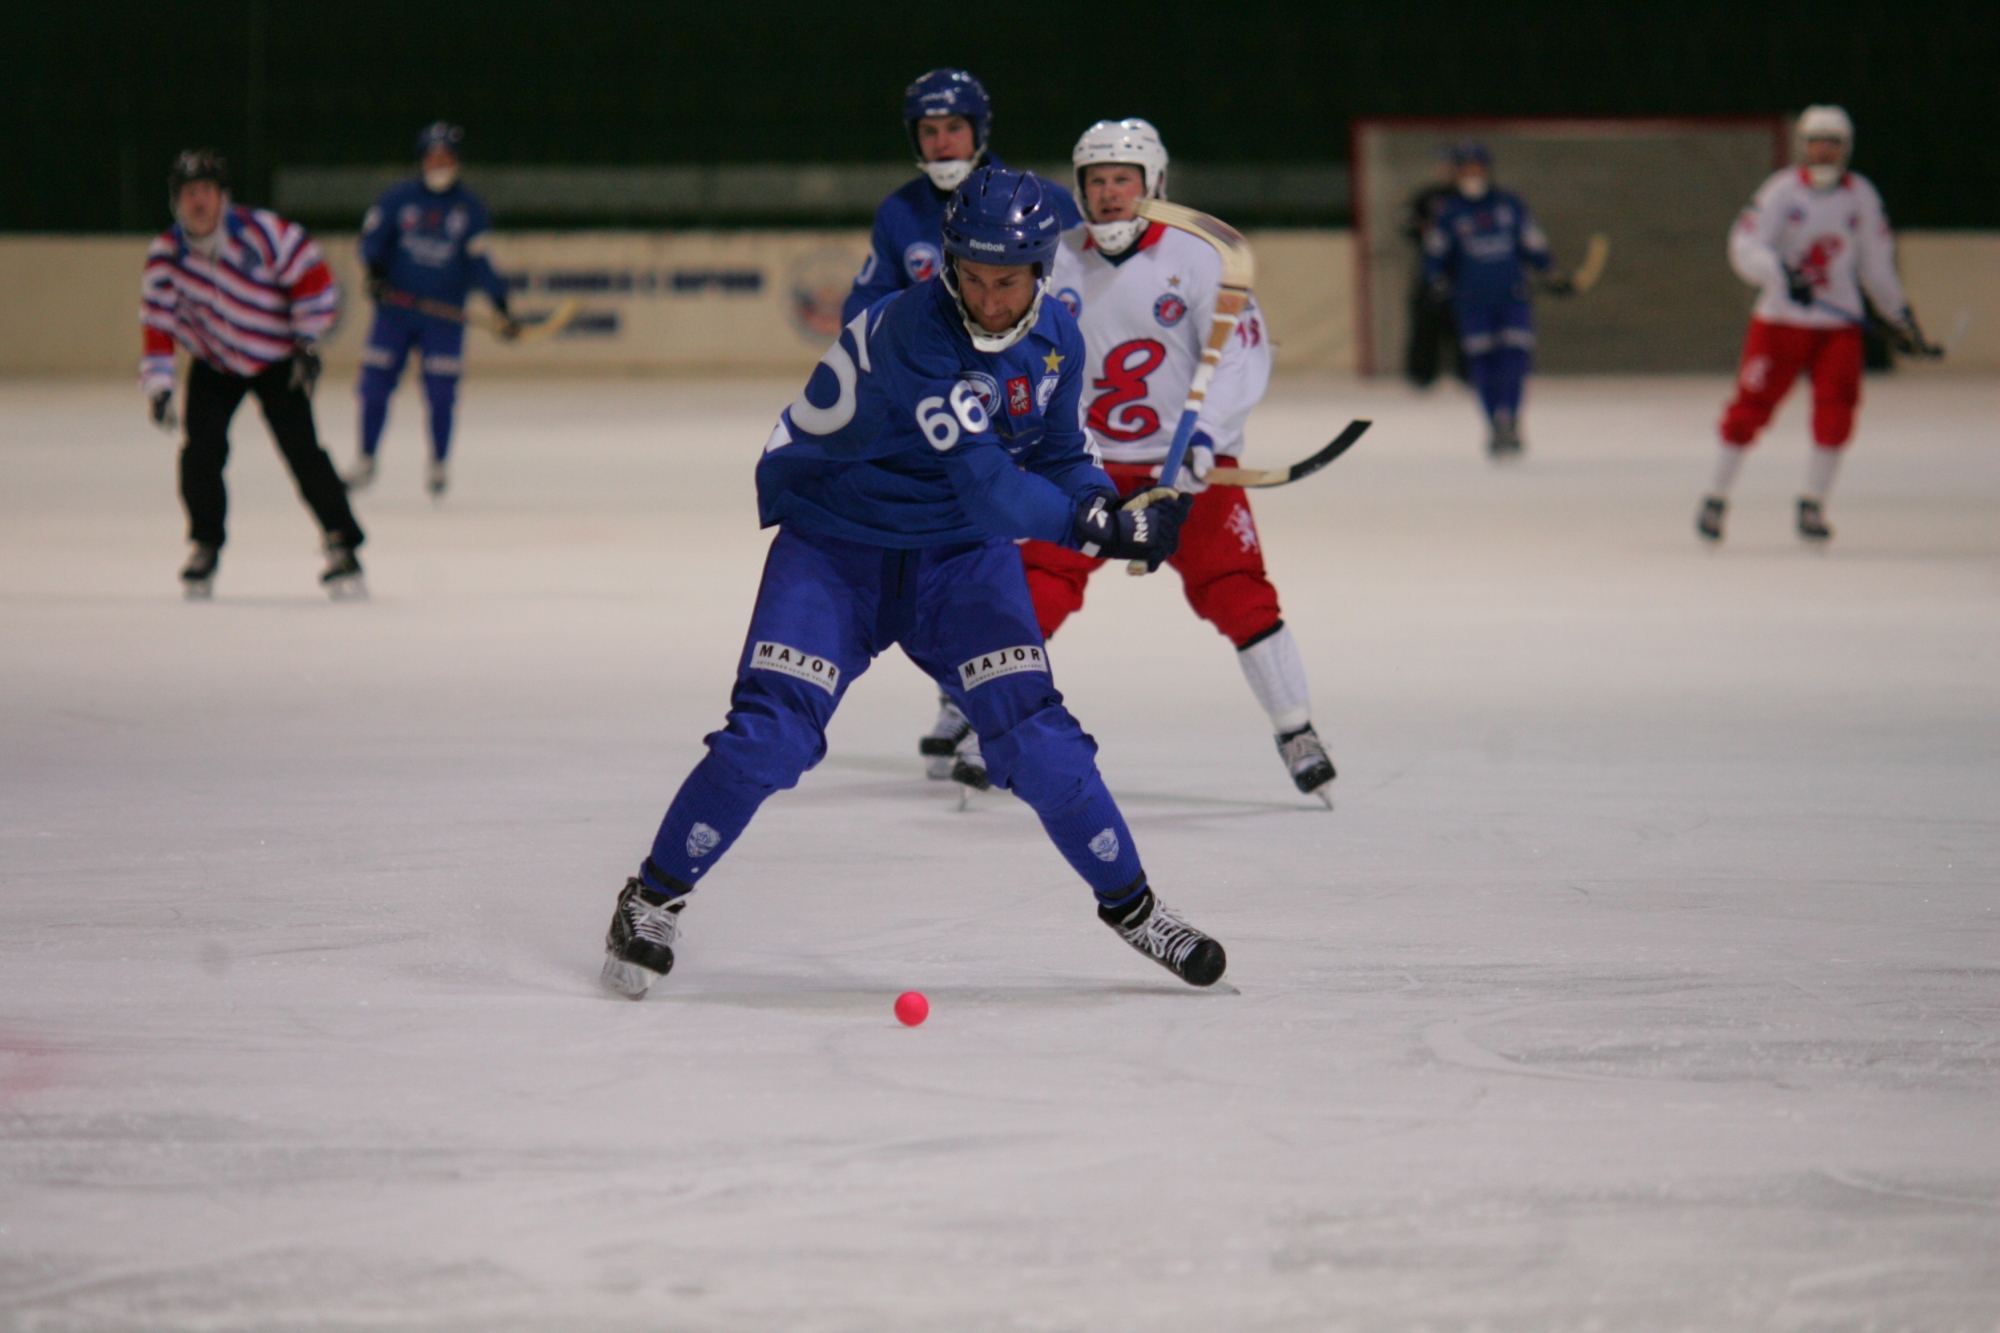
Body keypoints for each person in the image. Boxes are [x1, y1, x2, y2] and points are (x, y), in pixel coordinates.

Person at [599, 166, 1221, 998]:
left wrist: (1116, 503)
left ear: (1042, 272)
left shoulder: (1060, 341)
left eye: (1008, 282)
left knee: (1038, 738)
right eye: (973, 277)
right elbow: (990, 485)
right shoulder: (912, 329)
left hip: (958, 558)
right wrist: (1097, 528)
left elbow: (1063, 460)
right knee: (771, 736)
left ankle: (1136, 906)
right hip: (838, 544)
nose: (989, 299)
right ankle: (652, 896)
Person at [1020, 118, 1335, 802]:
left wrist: (1208, 437)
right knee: (1032, 584)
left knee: (1237, 588)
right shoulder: (1054, 260)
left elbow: (1240, 357)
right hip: (1084, 464)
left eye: (1122, 181)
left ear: (1154, 184)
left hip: (1182, 464)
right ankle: (979, 712)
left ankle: (1296, 727)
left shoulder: (1197, 259)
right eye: (1096, 181)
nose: (1108, 194)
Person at [840, 69, 1084, 786]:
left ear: (981, 130)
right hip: (934, 405)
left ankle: (979, 698)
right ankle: (964, 691)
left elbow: (1081, 295)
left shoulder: (1041, 199)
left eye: (953, 127)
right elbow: (866, 311)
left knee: (989, 549)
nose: (942, 141)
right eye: (929, 130)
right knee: (948, 546)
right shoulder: (900, 212)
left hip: (1017, 399)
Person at [1696, 105, 1932, 545]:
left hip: (1836, 326)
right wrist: (1781, 274)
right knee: (1750, 407)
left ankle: (1812, 503)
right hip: (1781, 322)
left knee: (1837, 412)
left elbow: (1877, 265)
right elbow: (1745, 244)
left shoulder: (1861, 196)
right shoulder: (1782, 191)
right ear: (1804, 145)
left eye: (1834, 143)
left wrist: (1899, 316)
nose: (1825, 151)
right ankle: (1715, 496)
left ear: (1846, 149)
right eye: (1817, 141)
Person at [141, 149, 365, 599]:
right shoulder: (166, 256)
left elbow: (314, 281)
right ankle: (205, 543)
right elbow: (158, 325)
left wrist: (305, 343)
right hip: (215, 364)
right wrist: (160, 386)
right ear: (176, 202)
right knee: (201, 454)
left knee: (303, 451)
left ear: (223, 196)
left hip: (276, 358)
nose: (198, 201)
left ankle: (342, 542)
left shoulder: (265, 233)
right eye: (189, 193)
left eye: (206, 190)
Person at [345, 122, 518, 499]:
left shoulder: (469, 208)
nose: (439, 162)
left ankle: (439, 463)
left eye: (447, 155)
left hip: (444, 319)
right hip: (395, 314)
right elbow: (372, 242)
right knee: (374, 386)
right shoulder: (398, 199)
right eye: (432, 155)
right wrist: (374, 274)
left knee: (441, 394)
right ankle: (366, 457)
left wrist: (500, 305)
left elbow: (480, 262)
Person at [1421, 141, 1575, 458]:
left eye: (1477, 169)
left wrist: (1552, 273)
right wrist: (1434, 281)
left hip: (1512, 297)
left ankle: (1513, 420)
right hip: (1472, 301)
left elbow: (1533, 243)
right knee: (1483, 365)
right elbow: (1436, 254)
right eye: (1466, 170)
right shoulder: (1449, 212)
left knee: (1515, 361)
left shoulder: (1510, 205)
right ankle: (1494, 424)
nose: (1472, 175)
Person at [1402, 152, 1462, 388]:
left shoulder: (1466, 198)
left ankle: (1468, 375)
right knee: (1425, 323)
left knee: (1464, 325)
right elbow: (1407, 222)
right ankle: (1421, 375)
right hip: (1430, 269)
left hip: (1463, 272)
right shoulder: (1427, 196)